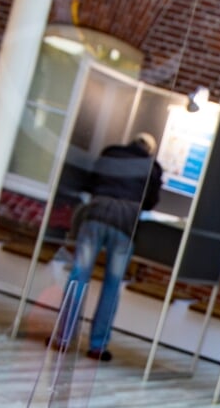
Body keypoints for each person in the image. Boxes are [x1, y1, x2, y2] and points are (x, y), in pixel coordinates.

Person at [54, 131, 164, 362]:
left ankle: (63, 338)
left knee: (78, 276)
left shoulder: (110, 153)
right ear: (149, 150)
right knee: (112, 286)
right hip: (125, 224)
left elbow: (90, 182)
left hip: (95, 215)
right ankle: (97, 346)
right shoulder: (152, 167)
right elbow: (151, 201)